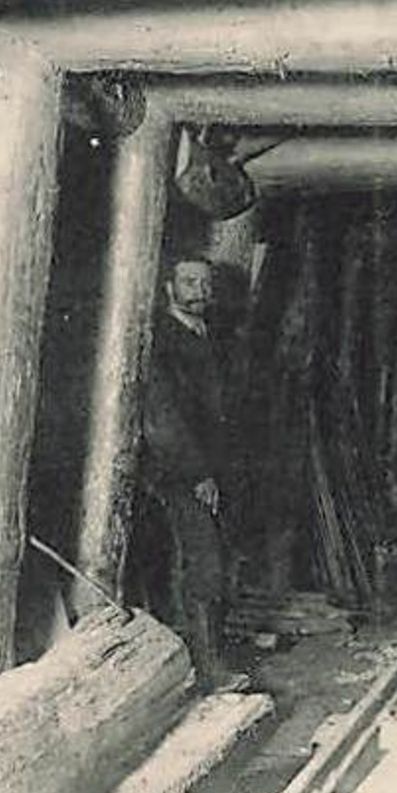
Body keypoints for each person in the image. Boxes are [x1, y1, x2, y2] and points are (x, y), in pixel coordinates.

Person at [138, 258, 246, 692]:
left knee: (213, 563)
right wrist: (197, 472)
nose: (198, 289)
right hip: (179, 473)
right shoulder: (164, 340)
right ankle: (207, 670)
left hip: (213, 471)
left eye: (204, 282)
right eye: (188, 281)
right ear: (169, 289)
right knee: (203, 565)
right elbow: (162, 418)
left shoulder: (209, 337)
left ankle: (208, 658)